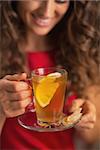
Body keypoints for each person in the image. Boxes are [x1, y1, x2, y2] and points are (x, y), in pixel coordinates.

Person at [0, 0, 100, 149]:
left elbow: (93, 136)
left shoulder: (80, 51)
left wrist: (84, 118)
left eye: (60, 0)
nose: (47, 11)